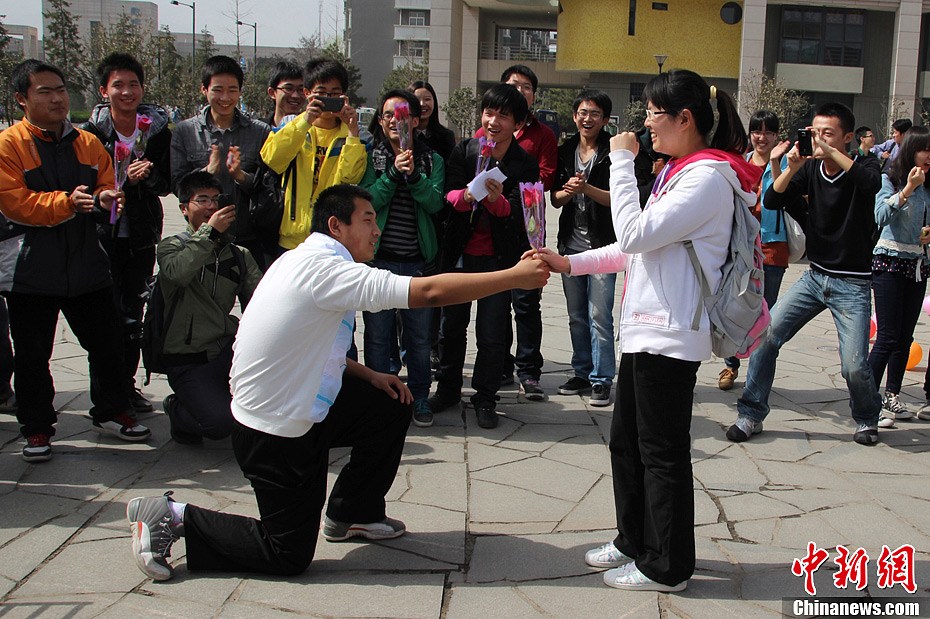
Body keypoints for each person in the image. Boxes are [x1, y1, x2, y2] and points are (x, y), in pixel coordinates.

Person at [125, 184, 550, 582]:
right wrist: (512, 277)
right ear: (336, 226)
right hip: (274, 433)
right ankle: (174, 516)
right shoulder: (324, 271)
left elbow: (313, 343)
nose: (377, 229)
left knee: (389, 402)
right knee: (286, 554)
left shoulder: (305, 260)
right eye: (367, 219)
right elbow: (430, 292)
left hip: (304, 403)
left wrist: (369, 374)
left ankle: (353, 513)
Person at [535, 69, 757, 592]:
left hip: (672, 332)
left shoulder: (706, 179)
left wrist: (619, 160)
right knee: (626, 443)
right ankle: (634, 539)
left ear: (686, 119)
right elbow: (636, 248)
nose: (648, 123)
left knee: (661, 452)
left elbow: (632, 232)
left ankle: (668, 564)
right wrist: (570, 264)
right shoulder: (680, 172)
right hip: (644, 328)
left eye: (656, 113)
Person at [0, 60, 151, 462]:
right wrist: (67, 203)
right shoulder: (9, 144)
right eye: (44, 92)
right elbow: (14, 203)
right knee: (33, 354)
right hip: (30, 268)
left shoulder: (87, 142)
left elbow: (106, 183)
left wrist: (106, 197)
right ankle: (36, 427)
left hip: (86, 263)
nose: (57, 98)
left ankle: (112, 409)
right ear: (22, 99)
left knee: (106, 343)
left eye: (61, 90)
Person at [728, 102, 884, 446]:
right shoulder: (810, 170)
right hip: (815, 278)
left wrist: (829, 151)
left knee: (854, 366)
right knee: (766, 339)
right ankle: (750, 413)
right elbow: (771, 199)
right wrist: (789, 166)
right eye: (814, 133)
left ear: (846, 138)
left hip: (853, 284)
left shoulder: (865, 163)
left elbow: (870, 183)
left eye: (827, 134)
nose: (819, 140)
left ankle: (867, 416)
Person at [428, 84, 540, 428]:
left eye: (503, 116)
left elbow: (528, 216)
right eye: (489, 112)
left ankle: (486, 397)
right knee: (452, 327)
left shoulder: (524, 162)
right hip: (461, 254)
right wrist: (467, 195)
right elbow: (448, 194)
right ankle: (447, 388)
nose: (494, 121)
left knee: (493, 332)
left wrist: (498, 203)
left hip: (498, 260)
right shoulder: (466, 149)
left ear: (517, 123)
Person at [83, 52, 171, 414]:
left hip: (139, 237)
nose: (126, 91)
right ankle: (105, 392)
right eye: (118, 85)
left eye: (133, 84)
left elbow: (166, 183)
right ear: (105, 90)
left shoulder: (156, 131)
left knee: (134, 314)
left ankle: (127, 386)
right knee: (105, 316)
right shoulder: (89, 135)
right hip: (102, 236)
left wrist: (145, 178)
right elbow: (82, 186)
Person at [360, 90, 446, 427]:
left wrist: (413, 176)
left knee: (419, 337)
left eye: (404, 115)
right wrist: (394, 173)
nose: (398, 122)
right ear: (381, 122)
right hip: (378, 263)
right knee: (378, 335)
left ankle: (420, 396)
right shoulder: (370, 157)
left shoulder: (431, 160)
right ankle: (384, 395)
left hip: (416, 264)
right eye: (390, 116)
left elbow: (436, 203)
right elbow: (367, 202)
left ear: (415, 119)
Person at [158, 171, 262, 443]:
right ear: (183, 208)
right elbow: (178, 273)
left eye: (216, 199)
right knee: (219, 424)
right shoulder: (171, 247)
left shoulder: (239, 256)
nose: (211, 206)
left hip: (225, 350)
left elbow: (261, 303)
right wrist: (209, 233)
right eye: (201, 200)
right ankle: (178, 409)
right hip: (187, 357)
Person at [477, 64, 557, 400]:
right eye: (513, 85)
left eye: (525, 86)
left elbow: (545, 177)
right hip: (484, 240)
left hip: (527, 228)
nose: (519, 89)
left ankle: (529, 370)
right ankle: (501, 368)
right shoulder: (480, 142)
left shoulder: (541, 136)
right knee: (490, 310)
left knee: (526, 304)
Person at [170, 55, 271, 268]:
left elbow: (268, 188)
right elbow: (178, 186)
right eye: (217, 89)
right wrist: (207, 172)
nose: (225, 97)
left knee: (254, 299)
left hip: (248, 237)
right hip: (202, 237)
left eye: (232, 90)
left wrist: (240, 176)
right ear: (204, 90)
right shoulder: (186, 131)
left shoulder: (259, 132)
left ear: (240, 92)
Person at [717, 110, 791, 391]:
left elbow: (782, 197)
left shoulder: (785, 163)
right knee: (731, 305)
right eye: (757, 131)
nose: (762, 137)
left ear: (776, 136)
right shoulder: (740, 162)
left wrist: (775, 167)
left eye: (768, 132)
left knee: (764, 312)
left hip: (772, 245)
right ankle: (730, 364)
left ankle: (756, 375)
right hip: (740, 245)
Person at [260, 58, 366, 254]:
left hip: (332, 238)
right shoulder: (293, 126)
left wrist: (352, 132)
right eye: (321, 93)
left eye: (334, 94)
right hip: (292, 238)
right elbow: (273, 159)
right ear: (307, 93)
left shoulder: (351, 136)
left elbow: (351, 177)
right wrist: (306, 120)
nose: (327, 98)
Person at [551, 89, 616, 407]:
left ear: (605, 119)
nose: (587, 118)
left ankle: (602, 379)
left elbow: (618, 200)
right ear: (574, 116)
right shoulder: (564, 151)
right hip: (571, 247)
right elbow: (554, 198)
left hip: (603, 247)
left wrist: (587, 188)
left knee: (599, 314)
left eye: (594, 113)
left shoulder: (613, 152)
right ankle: (581, 372)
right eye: (582, 112)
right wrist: (568, 190)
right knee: (577, 315)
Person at [868, 126, 930, 427]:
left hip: (917, 265)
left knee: (905, 336)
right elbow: (880, 217)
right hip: (889, 262)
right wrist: (907, 189)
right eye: (925, 150)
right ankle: (867, 400)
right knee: (887, 336)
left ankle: (891, 395)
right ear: (912, 150)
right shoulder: (890, 179)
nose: (929, 157)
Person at [408, 80, 456, 161]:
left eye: (427, 99)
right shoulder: (402, 136)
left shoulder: (446, 136)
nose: (422, 104)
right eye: (417, 99)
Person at [262, 60, 304, 129]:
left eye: (301, 90)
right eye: (288, 88)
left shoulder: (312, 131)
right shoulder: (259, 131)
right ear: (272, 92)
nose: (296, 95)